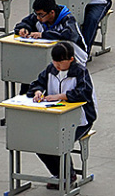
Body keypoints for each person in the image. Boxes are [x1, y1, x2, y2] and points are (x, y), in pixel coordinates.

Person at [27, 42, 96, 190]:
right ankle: (59, 174)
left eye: (61, 62)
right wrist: (38, 91)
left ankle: (68, 175)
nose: (57, 66)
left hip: (80, 120)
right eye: (55, 62)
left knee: (59, 141)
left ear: (71, 59)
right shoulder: (50, 69)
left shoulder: (80, 72)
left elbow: (83, 93)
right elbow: (37, 83)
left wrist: (60, 96)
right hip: (54, 118)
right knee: (38, 142)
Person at [14, 0, 88, 65]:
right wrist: (23, 29)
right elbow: (24, 23)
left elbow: (69, 34)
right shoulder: (38, 17)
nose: (38, 17)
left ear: (52, 12)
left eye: (41, 15)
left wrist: (43, 35)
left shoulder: (68, 19)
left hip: (77, 56)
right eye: (36, 14)